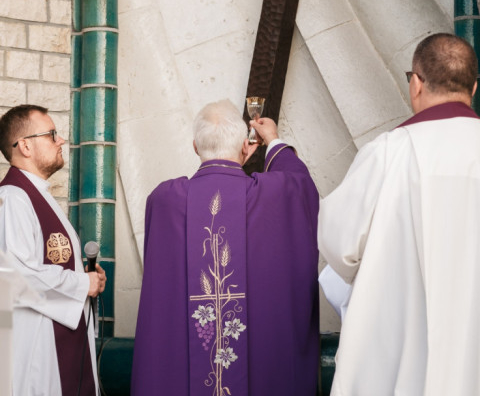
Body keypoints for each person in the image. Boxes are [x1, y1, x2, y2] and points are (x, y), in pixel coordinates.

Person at [318, 32, 480, 396]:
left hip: (401, 349)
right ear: (473, 87)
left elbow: (339, 244)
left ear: (416, 84)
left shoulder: (388, 153)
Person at [131, 99, 319, 395]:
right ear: (245, 146)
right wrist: (274, 142)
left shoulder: (164, 200)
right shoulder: (273, 194)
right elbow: (301, 185)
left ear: (195, 146)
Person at [0, 104, 106, 396]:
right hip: (38, 349)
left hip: (58, 340)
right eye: (51, 134)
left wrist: (87, 278)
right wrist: (82, 283)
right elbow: (15, 276)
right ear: (25, 146)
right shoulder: (12, 199)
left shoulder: (37, 195)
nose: (61, 140)